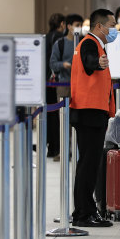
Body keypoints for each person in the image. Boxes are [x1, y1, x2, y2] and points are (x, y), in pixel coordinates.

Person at [69, 8, 118, 228]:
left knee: (88, 163)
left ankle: (84, 210)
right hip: (89, 111)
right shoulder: (90, 43)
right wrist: (97, 63)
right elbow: (90, 61)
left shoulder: (94, 43)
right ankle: (84, 214)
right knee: (89, 164)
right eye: (112, 25)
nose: (114, 29)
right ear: (100, 26)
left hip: (91, 110)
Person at [45, 13, 66, 159]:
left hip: (45, 81)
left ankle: (51, 147)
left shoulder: (45, 37)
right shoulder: (60, 39)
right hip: (56, 81)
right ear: (63, 24)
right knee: (57, 116)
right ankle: (58, 148)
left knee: (49, 114)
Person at [50, 13, 82, 101]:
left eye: (81, 25)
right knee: (63, 112)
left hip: (81, 85)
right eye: (77, 25)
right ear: (69, 26)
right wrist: (63, 64)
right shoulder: (60, 43)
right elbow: (52, 64)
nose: (80, 27)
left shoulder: (83, 43)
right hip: (63, 84)